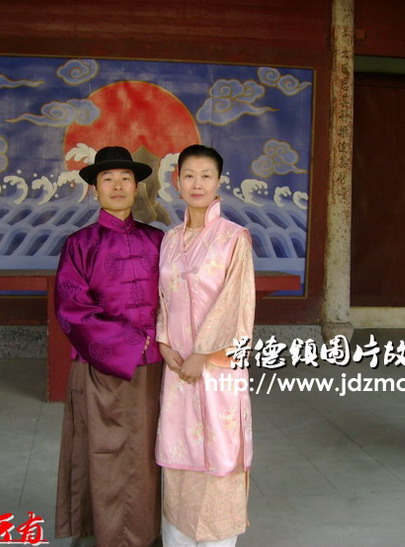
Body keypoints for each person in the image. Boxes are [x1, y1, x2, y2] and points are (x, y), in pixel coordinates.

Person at [54, 146, 164, 546]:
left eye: (125, 179)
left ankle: (147, 533)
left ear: (137, 187)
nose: (117, 186)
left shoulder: (159, 240)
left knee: (149, 450)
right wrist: (129, 342)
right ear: (94, 189)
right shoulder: (80, 244)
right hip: (100, 364)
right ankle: (103, 533)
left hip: (157, 364)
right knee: (102, 449)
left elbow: (178, 298)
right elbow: (71, 309)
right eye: (108, 179)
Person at [156, 144, 256, 546]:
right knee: (179, 451)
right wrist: (164, 342)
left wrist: (204, 354)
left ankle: (216, 539)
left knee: (219, 452)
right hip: (177, 366)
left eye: (206, 176)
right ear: (177, 180)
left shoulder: (233, 238)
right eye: (189, 175)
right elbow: (164, 299)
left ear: (218, 182)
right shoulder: (170, 239)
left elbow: (237, 304)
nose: (197, 184)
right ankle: (178, 537)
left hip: (216, 368)